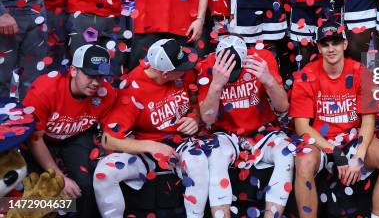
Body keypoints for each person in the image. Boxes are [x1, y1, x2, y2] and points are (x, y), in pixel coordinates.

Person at [290, 21, 379, 218]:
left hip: (353, 138)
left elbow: (368, 121)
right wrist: (334, 152)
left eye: (336, 43)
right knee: (303, 162)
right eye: (325, 44)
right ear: (318, 47)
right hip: (320, 141)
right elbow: (302, 127)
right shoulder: (306, 75)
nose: (331, 49)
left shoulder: (361, 72)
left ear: (345, 44)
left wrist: (358, 155)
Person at [93, 38, 209, 218]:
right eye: (181, 68)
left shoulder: (184, 74)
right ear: (165, 74)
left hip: (182, 144)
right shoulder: (133, 87)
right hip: (146, 149)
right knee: (104, 173)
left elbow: (197, 103)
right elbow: (108, 140)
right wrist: (151, 146)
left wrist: (195, 118)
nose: (186, 69)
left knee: (198, 162)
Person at [198, 35, 293, 217]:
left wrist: (268, 80)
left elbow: (283, 107)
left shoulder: (262, 59)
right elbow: (207, 119)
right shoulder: (208, 64)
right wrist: (216, 85)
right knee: (215, 156)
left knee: (286, 153)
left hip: (263, 132)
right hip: (226, 134)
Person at [23, 44, 116, 217]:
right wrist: (59, 177)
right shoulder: (44, 89)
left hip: (74, 138)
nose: (96, 82)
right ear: (73, 70)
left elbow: (108, 131)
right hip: (38, 141)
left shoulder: (106, 93)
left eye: (101, 76)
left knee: (86, 186)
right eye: (90, 75)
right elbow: (34, 139)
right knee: (36, 194)